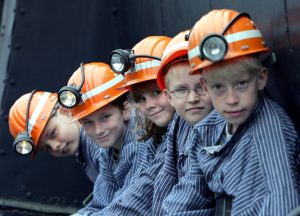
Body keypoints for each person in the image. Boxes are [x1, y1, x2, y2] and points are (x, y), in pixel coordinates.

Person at [183, 9, 299, 215]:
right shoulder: (208, 129)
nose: (232, 100)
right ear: (205, 86)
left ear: (261, 78)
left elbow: (280, 202)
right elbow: (186, 196)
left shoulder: (269, 138)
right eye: (219, 87)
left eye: (241, 83)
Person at [93, 35, 176, 215]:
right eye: (141, 98)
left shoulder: (180, 130)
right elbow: (137, 188)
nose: (150, 104)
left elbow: (142, 193)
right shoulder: (156, 136)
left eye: (156, 92)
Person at [61, 62, 141, 215]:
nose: (98, 130)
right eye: (88, 122)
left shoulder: (139, 143)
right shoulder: (108, 152)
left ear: (126, 110)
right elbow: (100, 203)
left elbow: (127, 207)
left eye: (105, 117)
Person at [153, 30, 215, 215]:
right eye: (181, 90)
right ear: (169, 97)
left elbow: (192, 192)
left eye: (202, 87)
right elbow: (163, 179)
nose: (193, 98)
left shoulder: (214, 125)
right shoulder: (180, 123)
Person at [8, 90, 102, 184]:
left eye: (53, 133)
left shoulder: (99, 144)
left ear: (65, 110)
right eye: (46, 148)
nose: (54, 146)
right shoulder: (85, 152)